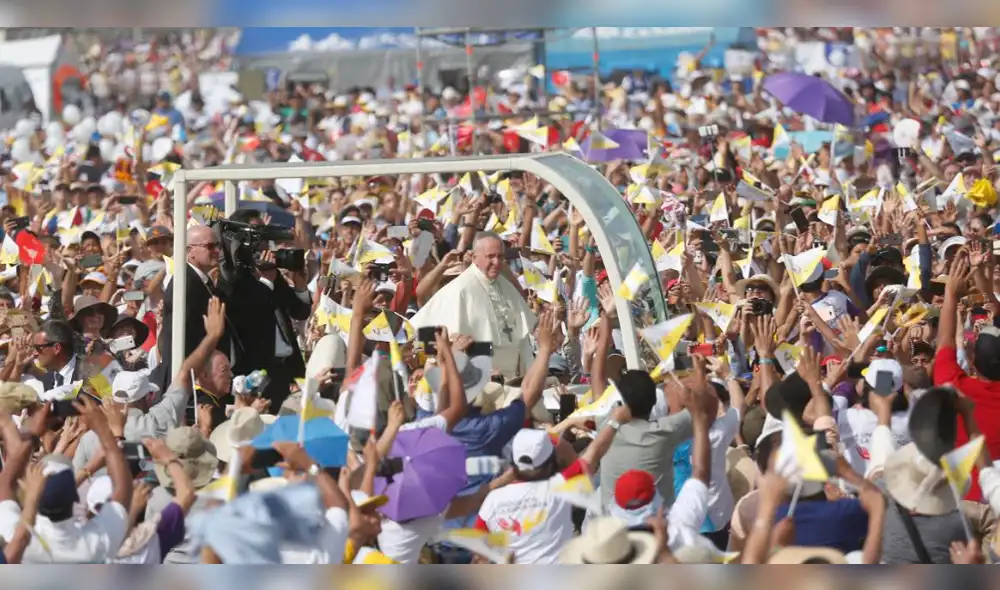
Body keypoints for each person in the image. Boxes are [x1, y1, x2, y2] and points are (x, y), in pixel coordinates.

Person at [410, 232, 536, 382]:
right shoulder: (459, 290)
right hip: (476, 380)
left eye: (500, 257)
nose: (496, 262)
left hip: (514, 379)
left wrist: (532, 373)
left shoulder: (507, 287)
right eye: (491, 256)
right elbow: (433, 342)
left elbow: (523, 340)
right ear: (475, 257)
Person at [155, 225, 234, 392]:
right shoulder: (185, 283)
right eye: (210, 246)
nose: (216, 251)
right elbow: (186, 337)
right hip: (192, 383)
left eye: (217, 245)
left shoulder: (200, 281)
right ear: (190, 251)